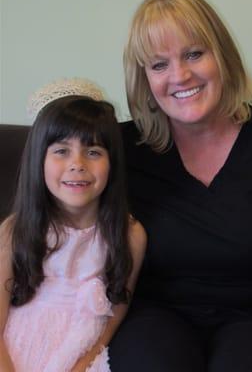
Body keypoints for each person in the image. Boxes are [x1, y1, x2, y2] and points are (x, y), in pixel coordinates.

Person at [109, 0, 252, 372]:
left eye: (194, 54)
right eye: (159, 64)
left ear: (224, 57)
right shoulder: (119, 148)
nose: (180, 76)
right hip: (154, 316)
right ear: (143, 78)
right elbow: (51, 203)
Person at [0, 78, 146, 372]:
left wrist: (85, 361)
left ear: (112, 162)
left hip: (81, 353)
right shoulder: (15, 230)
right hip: (14, 350)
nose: (77, 164)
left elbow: (117, 311)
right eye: (61, 151)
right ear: (38, 160)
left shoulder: (130, 234)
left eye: (93, 152)